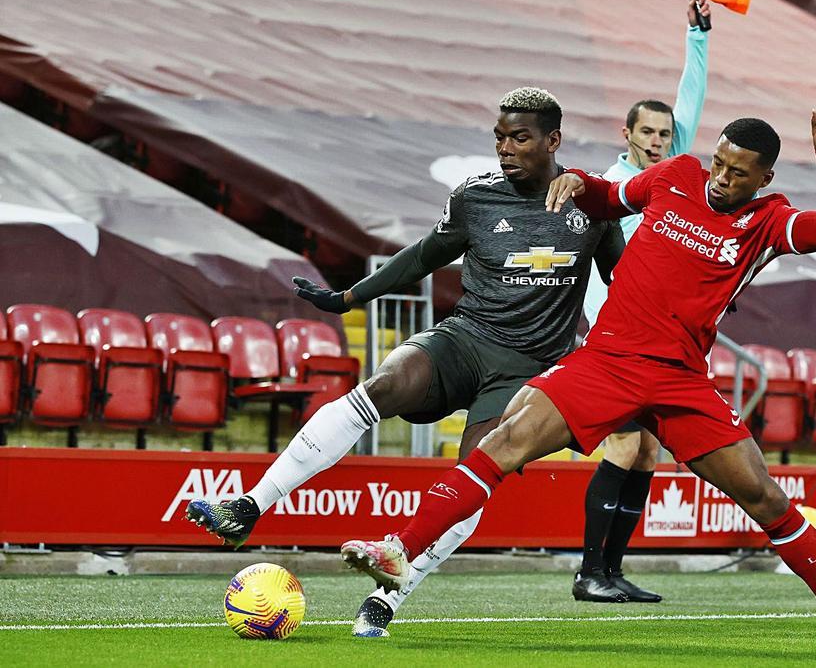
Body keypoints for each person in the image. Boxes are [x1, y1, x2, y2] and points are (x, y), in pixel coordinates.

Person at [339, 111, 816, 650]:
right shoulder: (675, 175)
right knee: (503, 441)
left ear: (763, 176)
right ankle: (399, 551)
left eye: (737, 173)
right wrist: (579, 185)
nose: (721, 178)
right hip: (609, 360)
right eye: (718, 163)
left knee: (765, 498)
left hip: (680, 381)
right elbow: (611, 197)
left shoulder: (767, 220)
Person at [184, 87, 625, 638]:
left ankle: (385, 600)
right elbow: (423, 255)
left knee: (474, 474)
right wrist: (349, 298)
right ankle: (249, 507)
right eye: (499, 137)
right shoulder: (475, 197)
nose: (505, 149)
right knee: (386, 383)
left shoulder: (594, 209)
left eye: (520, 138)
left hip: (529, 368)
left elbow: (624, 286)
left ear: (553, 140)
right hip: (466, 338)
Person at [574, 0, 712, 605]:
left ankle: (613, 570)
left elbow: (692, 99)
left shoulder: (669, 182)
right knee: (625, 445)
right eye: (647, 132)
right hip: (617, 341)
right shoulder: (616, 191)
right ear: (624, 135)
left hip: (658, 342)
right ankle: (587, 573)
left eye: (665, 134)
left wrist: (699, 38)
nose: (658, 141)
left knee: (649, 453)